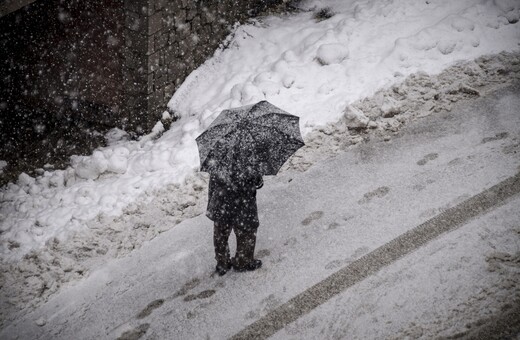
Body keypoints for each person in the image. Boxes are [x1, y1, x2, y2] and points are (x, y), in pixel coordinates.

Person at [206, 170, 264, 276]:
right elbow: (258, 182)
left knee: (221, 233)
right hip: (243, 201)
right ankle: (243, 261)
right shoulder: (249, 158)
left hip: (221, 200)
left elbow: (212, 184)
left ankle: (222, 263)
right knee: (247, 230)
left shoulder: (218, 158)